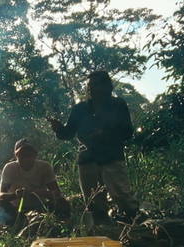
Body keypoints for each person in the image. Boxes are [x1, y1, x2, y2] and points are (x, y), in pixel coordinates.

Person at [48, 71, 141, 224]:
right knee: (93, 202)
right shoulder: (80, 109)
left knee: (123, 196)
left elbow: (127, 132)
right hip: (87, 159)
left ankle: (135, 226)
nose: (92, 89)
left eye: (96, 85)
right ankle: (102, 230)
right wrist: (58, 128)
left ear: (108, 86)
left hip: (111, 157)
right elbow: (68, 133)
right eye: (90, 86)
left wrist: (105, 133)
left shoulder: (118, 105)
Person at [0, 139, 70, 226]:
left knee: (62, 203)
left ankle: (62, 226)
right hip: (16, 210)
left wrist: (38, 193)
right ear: (16, 156)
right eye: (22, 155)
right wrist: (15, 195)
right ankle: (10, 226)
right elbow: (0, 195)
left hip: (41, 208)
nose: (26, 158)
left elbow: (57, 193)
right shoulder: (10, 168)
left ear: (35, 155)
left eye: (29, 154)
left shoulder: (44, 167)